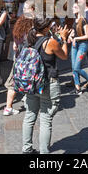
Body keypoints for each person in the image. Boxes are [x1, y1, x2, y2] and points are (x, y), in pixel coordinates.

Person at [22, 18, 70, 154]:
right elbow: (64, 56)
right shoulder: (50, 42)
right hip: (47, 83)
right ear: (46, 28)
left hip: (31, 82)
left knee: (29, 115)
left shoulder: (29, 39)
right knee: (46, 119)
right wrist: (64, 39)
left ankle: (26, 149)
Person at [68, 3, 88, 95]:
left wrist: (76, 38)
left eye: (75, 7)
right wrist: (70, 36)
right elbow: (74, 31)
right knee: (74, 67)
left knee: (77, 67)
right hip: (75, 45)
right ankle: (77, 88)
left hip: (83, 45)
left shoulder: (84, 21)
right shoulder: (76, 20)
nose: (72, 8)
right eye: (72, 6)